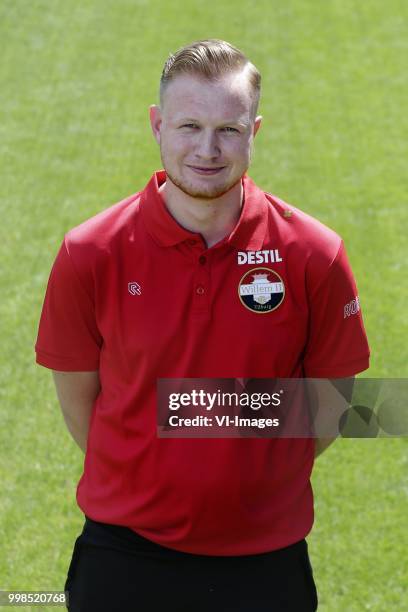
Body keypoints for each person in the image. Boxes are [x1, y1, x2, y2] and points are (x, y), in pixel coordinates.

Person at [35, 39, 370, 611]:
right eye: (189, 126)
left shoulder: (315, 255)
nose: (208, 150)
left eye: (229, 130)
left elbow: (332, 406)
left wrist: (243, 459)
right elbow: (80, 404)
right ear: (157, 125)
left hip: (266, 560)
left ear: (254, 131)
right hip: (124, 556)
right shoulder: (90, 253)